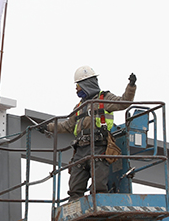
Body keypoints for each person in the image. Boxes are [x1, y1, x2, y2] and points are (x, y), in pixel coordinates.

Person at [47, 66, 137, 201]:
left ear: (86, 84)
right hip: (81, 149)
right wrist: (48, 127)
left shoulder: (104, 99)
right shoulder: (78, 108)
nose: (76, 89)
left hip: (99, 147)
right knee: (75, 186)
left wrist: (131, 86)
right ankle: (75, 207)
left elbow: (124, 102)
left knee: (99, 185)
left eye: (78, 85)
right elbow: (67, 125)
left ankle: (99, 203)